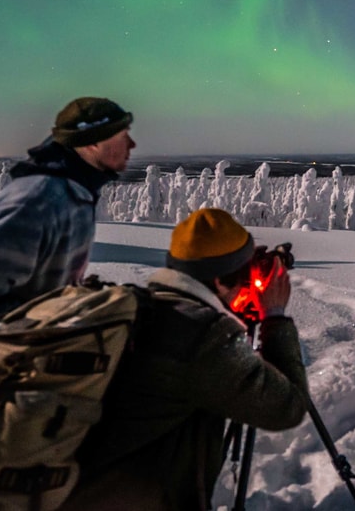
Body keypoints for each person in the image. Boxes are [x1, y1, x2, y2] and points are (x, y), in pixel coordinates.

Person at [62, 208, 309, 510]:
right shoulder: (203, 339)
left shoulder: (144, 308)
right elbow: (289, 408)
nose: (247, 283)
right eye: (242, 274)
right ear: (219, 281)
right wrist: (274, 317)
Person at [0, 97, 135, 412]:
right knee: (11, 448)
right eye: (122, 136)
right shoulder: (38, 200)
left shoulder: (74, 192)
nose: (132, 144)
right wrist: (44, 349)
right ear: (93, 144)